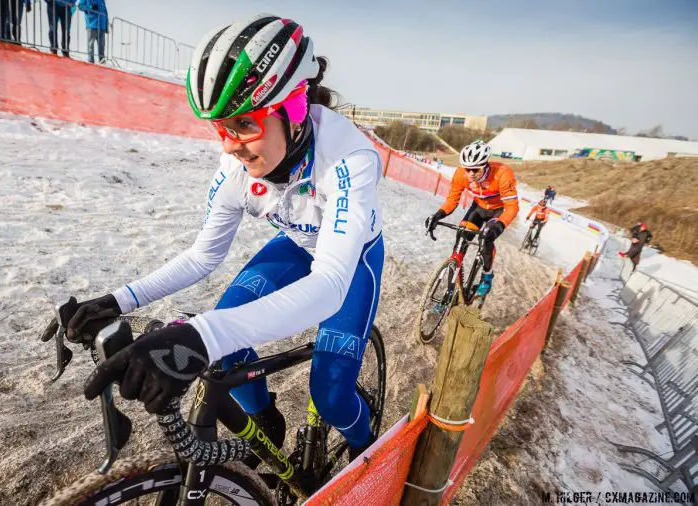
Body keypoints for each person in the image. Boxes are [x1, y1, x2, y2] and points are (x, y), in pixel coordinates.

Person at [41, 14, 384, 463]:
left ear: (295, 109)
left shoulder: (350, 158)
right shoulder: (235, 171)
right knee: (228, 338)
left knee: (332, 393)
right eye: (220, 127)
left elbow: (330, 286)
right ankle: (265, 421)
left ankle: (369, 452)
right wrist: (119, 300)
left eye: (243, 123)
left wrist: (199, 337)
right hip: (298, 246)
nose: (229, 145)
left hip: (351, 262)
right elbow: (204, 256)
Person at [425, 139, 518, 297]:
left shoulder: (502, 173)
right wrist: (438, 215)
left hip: (498, 210)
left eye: (475, 170)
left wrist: (499, 227)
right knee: (461, 238)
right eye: (467, 169)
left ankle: (487, 275)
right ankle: (450, 292)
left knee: (486, 238)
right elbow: (452, 199)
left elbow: (512, 207)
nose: (471, 174)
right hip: (479, 208)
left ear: (485, 165)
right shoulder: (461, 174)